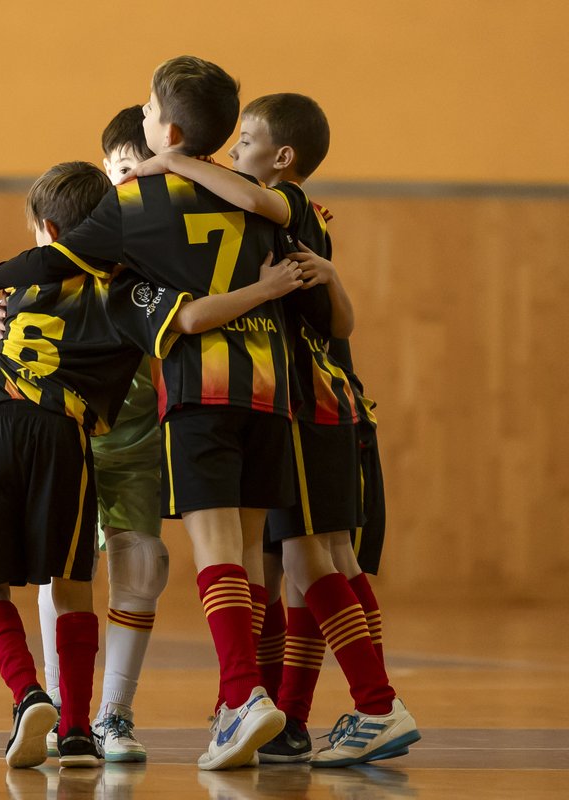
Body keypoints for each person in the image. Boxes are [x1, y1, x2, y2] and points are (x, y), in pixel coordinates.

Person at [0, 55, 320, 771]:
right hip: (275, 391)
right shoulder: (266, 197)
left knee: (205, 553)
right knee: (254, 560)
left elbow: (56, 263)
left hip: (195, 393)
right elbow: (326, 302)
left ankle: (228, 700)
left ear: (165, 129)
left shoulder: (131, 210)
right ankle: (244, 706)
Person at [134, 92, 419, 766]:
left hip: (310, 404)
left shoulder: (283, 206)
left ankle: (370, 702)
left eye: (245, 142)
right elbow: (341, 320)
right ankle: (277, 712)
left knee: (307, 561)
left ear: (281, 156)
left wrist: (174, 160)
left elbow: (332, 314)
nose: (232, 153)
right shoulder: (297, 221)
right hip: (308, 402)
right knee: (285, 564)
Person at [0, 160, 185, 770]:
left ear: (49, 229)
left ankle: (28, 693)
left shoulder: (22, 288)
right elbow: (182, 321)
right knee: (73, 584)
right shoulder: (127, 293)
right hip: (65, 436)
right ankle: (81, 728)